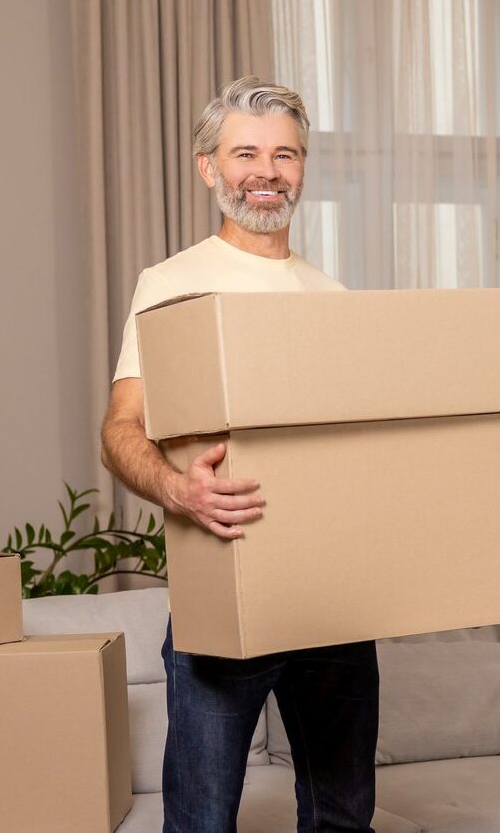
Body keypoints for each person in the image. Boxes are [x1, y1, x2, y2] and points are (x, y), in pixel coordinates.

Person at [101, 76, 378, 833]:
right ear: (208, 167)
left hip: (333, 597)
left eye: (285, 154)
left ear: (303, 168)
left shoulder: (333, 296)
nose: (267, 170)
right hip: (220, 585)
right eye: (246, 152)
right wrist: (176, 488)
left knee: (344, 818)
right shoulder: (171, 284)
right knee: (200, 820)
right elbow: (121, 426)